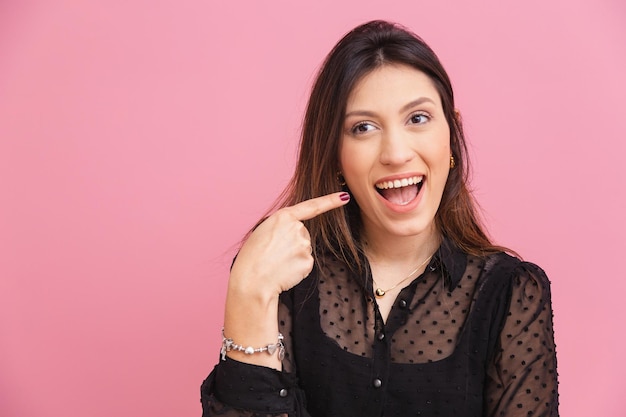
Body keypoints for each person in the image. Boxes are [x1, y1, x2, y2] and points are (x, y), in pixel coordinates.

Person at [200, 20, 559, 417]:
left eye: (417, 118)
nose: (395, 152)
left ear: (452, 135)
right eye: (363, 127)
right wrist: (247, 296)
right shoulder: (282, 276)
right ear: (335, 156)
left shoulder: (511, 294)